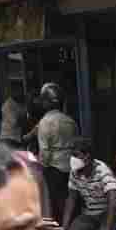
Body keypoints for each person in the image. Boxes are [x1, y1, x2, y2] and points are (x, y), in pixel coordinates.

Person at [34, 82, 79, 222]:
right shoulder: (70, 121)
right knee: (71, 198)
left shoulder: (45, 122)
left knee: (54, 202)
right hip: (71, 166)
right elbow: (76, 144)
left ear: (46, 103)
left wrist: (41, 168)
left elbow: (45, 153)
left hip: (54, 169)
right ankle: (71, 226)